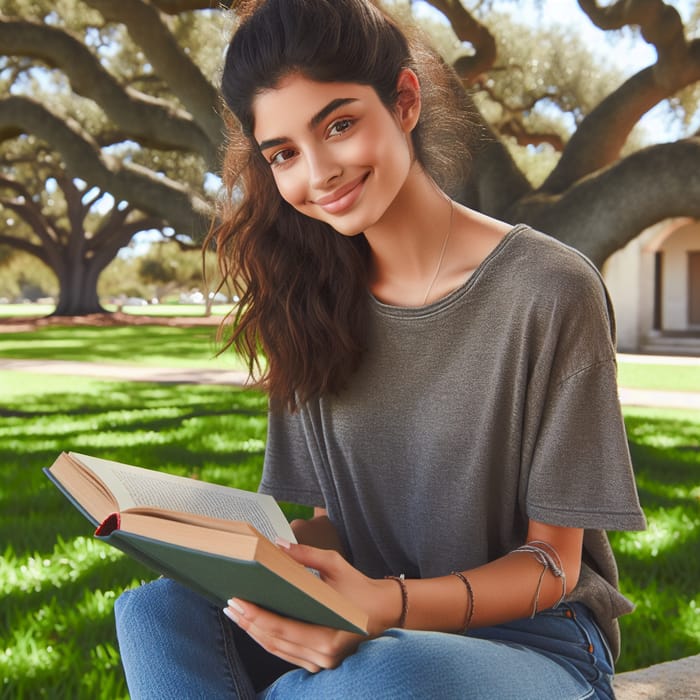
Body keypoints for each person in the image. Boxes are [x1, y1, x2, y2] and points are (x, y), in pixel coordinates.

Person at [114, 1, 647, 697]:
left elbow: (553, 566)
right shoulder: (306, 298)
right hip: (368, 615)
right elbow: (337, 526)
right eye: (284, 154)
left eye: (338, 125)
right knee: (154, 612)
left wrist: (381, 607)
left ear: (403, 100)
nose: (320, 172)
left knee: (381, 676)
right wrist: (263, 558)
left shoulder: (549, 289)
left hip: (536, 643)